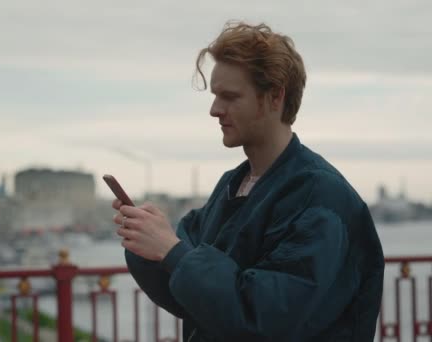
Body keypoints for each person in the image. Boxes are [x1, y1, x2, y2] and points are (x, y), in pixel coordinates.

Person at [111, 21, 384, 341]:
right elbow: (189, 294)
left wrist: (172, 252)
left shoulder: (321, 197)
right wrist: (148, 245)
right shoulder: (232, 185)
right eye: (215, 96)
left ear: (274, 97)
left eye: (230, 96)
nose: (215, 110)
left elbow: (266, 318)